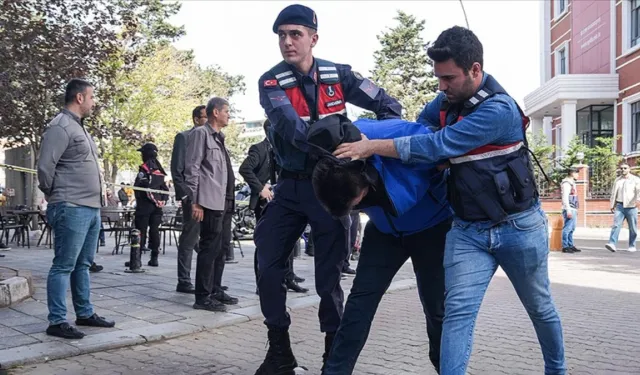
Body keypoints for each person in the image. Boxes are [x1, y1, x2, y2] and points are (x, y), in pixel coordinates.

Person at [333, 26, 566, 375]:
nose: (442, 86)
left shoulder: (498, 109)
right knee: (455, 313)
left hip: (518, 228)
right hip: (468, 231)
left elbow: (437, 145)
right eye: (438, 78)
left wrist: (371, 146)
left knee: (539, 306)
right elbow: (421, 132)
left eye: (449, 78)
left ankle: (557, 369)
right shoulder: (445, 102)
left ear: (475, 70)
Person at [254, 4, 403, 373]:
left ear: (313, 38)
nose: (287, 42)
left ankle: (332, 355)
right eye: (282, 35)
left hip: (332, 192)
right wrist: (343, 138)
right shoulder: (271, 82)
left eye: (295, 34)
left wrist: (370, 143)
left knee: (329, 278)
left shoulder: (340, 75)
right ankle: (279, 351)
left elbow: (390, 105)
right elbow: (293, 130)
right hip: (290, 187)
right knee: (267, 265)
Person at [307, 114, 451, 375]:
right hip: (385, 232)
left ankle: (447, 369)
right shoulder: (331, 159)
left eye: (359, 202)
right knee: (359, 305)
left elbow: (442, 148)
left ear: (364, 176)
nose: (359, 208)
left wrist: (377, 148)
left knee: (436, 308)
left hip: (432, 227)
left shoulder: (393, 132)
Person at [37, 78, 115, 339]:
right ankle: (57, 321)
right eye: (91, 97)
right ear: (80, 98)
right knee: (63, 265)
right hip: (70, 206)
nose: (94, 102)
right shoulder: (60, 127)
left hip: (90, 208)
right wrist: (56, 195)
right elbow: (45, 168)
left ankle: (84, 313)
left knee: (82, 264)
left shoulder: (79, 128)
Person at [239, 120, 308, 295]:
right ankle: (261, 282)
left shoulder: (285, 148)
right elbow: (245, 168)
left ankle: (288, 277)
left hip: (285, 199)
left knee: (290, 239)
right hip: (265, 202)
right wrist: (261, 188)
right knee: (265, 242)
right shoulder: (259, 148)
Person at [185, 97, 239, 312]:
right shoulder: (200, 134)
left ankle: (215, 288)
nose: (228, 115)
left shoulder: (220, 137)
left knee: (222, 247)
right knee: (209, 247)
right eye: (226, 111)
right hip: (208, 201)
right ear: (215, 112)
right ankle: (202, 296)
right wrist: (195, 200)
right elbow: (192, 168)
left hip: (224, 200)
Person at [171, 105, 207, 294]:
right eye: (204, 117)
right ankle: (183, 280)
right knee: (190, 238)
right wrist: (186, 196)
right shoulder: (184, 137)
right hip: (192, 198)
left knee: (207, 241)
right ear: (196, 119)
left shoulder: (213, 138)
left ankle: (209, 279)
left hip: (210, 198)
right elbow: (177, 170)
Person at [133, 142, 170, 267]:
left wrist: (154, 200)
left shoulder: (145, 169)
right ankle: (154, 257)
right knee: (155, 231)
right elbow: (164, 189)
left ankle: (136, 259)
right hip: (157, 207)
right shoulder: (159, 169)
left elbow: (144, 187)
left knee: (140, 231)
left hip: (144, 206)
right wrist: (162, 200)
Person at [606, 162, 640, 253]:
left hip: (631, 206)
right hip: (620, 206)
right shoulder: (617, 180)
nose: (623, 170)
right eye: (621, 168)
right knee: (616, 225)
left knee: (632, 227)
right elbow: (614, 193)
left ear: (629, 169)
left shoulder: (635, 179)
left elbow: (639, 191)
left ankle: (632, 245)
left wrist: (638, 200)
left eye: (625, 168)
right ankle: (612, 243)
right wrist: (612, 204)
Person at [560, 168, 580, 254]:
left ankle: (570, 245)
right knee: (567, 228)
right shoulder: (566, 183)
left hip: (573, 208)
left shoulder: (572, 183)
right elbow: (565, 197)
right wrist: (568, 210)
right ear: (572, 173)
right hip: (569, 208)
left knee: (572, 228)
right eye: (577, 173)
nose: (578, 175)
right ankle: (565, 246)